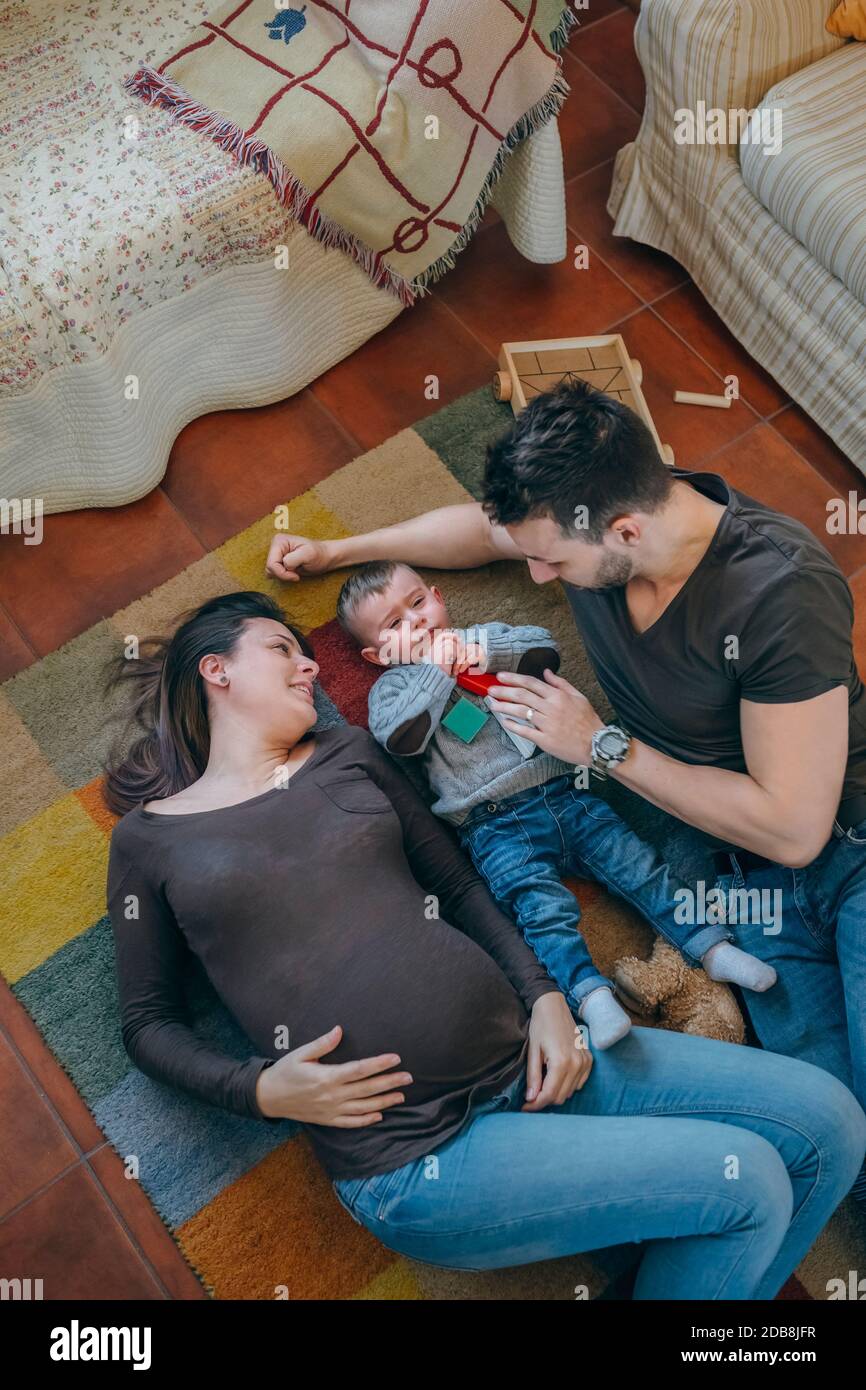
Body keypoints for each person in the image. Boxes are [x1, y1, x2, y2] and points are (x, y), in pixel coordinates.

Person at [102, 590, 866, 1296]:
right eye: (283, 649)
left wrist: (544, 1000)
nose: (309, 666)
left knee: (832, 1123)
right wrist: (259, 1089)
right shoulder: (150, 843)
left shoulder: (350, 758)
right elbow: (147, 1025)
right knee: (751, 1185)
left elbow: (463, 890)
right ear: (217, 670)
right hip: (419, 1156)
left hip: (542, 1056)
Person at [264, 377, 866, 1206]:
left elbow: (795, 830)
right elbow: (486, 534)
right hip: (727, 868)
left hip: (840, 845)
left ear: (624, 531)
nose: (538, 575)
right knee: (838, 1134)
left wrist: (601, 747)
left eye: (552, 560)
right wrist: (337, 553)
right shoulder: (589, 515)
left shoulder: (777, 592)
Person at [335, 559, 776, 1050]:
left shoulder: (484, 637)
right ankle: (590, 998)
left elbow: (544, 649)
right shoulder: (393, 689)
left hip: (568, 793)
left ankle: (709, 944)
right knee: (542, 913)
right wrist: (436, 673)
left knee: (639, 866)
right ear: (376, 656)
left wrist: (481, 650)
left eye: (418, 603)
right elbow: (402, 739)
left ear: (439, 598)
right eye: (395, 625)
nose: (415, 622)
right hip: (493, 825)